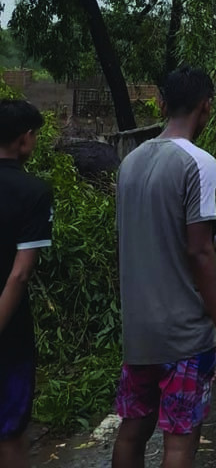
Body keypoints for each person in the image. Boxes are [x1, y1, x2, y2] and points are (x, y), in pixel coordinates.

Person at [113, 66, 216, 468]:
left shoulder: (129, 163)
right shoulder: (199, 163)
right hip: (183, 333)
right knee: (180, 440)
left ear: (162, 104)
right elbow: (200, 252)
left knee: (132, 430)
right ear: (206, 107)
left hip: (138, 331)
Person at [0, 100, 51, 468]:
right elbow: (20, 273)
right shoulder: (34, 193)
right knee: (9, 432)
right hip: (10, 334)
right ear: (24, 139)